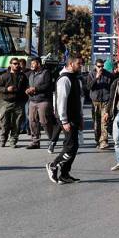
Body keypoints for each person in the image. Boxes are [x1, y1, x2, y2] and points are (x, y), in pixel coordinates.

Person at [46, 55, 84, 184]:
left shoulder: (75, 79)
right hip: (67, 119)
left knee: (74, 146)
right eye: (79, 63)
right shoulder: (64, 79)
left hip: (75, 117)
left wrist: (81, 117)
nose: (81, 65)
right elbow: (61, 101)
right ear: (71, 64)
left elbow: (79, 100)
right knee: (70, 146)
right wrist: (64, 121)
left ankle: (64, 174)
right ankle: (53, 165)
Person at [0, 58, 29, 147]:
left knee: (17, 123)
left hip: (19, 103)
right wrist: (7, 89)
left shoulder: (23, 76)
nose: (17, 65)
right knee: (5, 123)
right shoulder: (4, 76)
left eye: (18, 63)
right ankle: (3, 139)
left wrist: (27, 92)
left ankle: (13, 141)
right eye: (15, 63)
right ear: (10, 64)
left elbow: (26, 87)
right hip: (7, 102)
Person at [26, 57, 55, 150]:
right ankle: (35, 142)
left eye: (33, 63)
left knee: (44, 122)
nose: (31, 65)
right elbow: (29, 85)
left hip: (43, 100)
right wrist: (27, 90)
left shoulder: (46, 73)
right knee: (32, 121)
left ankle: (52, 139)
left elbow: (47, 86)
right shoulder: (31, 74)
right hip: (32, 101)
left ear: (38, 64)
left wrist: (35, 89)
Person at [87, 58, 113, 149]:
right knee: (96, 123)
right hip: (95, 102)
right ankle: (97, 140)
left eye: (102, 66)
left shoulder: (108, 75)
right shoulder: (91, 74)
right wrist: (96, 78)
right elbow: (88, 87)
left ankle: (104, 141)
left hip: (105, 101)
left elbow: (111, 88)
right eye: (99, 66)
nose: (101, 68)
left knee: (104, 122)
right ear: (95, 66)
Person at [19, 58, 32, 135]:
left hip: (27, 96)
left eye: (21, 65)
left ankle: (28, 128)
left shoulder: (29, 73)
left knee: (27, 113)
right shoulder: (18, 74)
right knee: (21, 113)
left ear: (24, 65)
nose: (20, 66)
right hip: (21, 96)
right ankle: (22, 128)